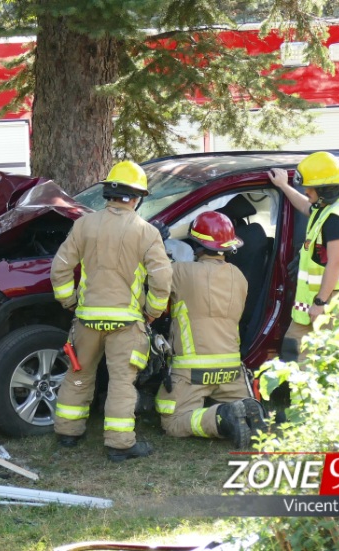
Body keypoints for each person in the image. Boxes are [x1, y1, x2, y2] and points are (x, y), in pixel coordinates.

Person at [51, 161, 172, 462]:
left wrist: (69, 302)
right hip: (127, 323)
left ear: (109, 193)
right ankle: (119, 445)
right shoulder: (146, 232)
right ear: (136, 197)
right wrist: (153, 312)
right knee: (121, 382)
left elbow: (60, 269)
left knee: (79, 372)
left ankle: (67, 432)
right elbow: (161, 279)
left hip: (87, 319)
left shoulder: (84, 225)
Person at [154, 211, 265, 449]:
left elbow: (153, 274)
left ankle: (223, 417)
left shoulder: (181, 272)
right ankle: (246, 412)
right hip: (231, 369)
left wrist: (154, 242)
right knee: (243, 405)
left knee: (173, 420)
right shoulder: (239, 277)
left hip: (193, 370)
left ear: (196, 246)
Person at [269, 152, 339, 363]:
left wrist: (320, 302)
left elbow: (336, 262)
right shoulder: (327, 207)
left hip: (334, 305)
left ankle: (303, 396)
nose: (306, 190)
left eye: (310, 187)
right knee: (294, 352)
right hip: (321, 303)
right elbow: (306, 206)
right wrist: (284, 187)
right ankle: (296, 395)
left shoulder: (336, 219)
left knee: (314, 362)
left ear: (324, 189)